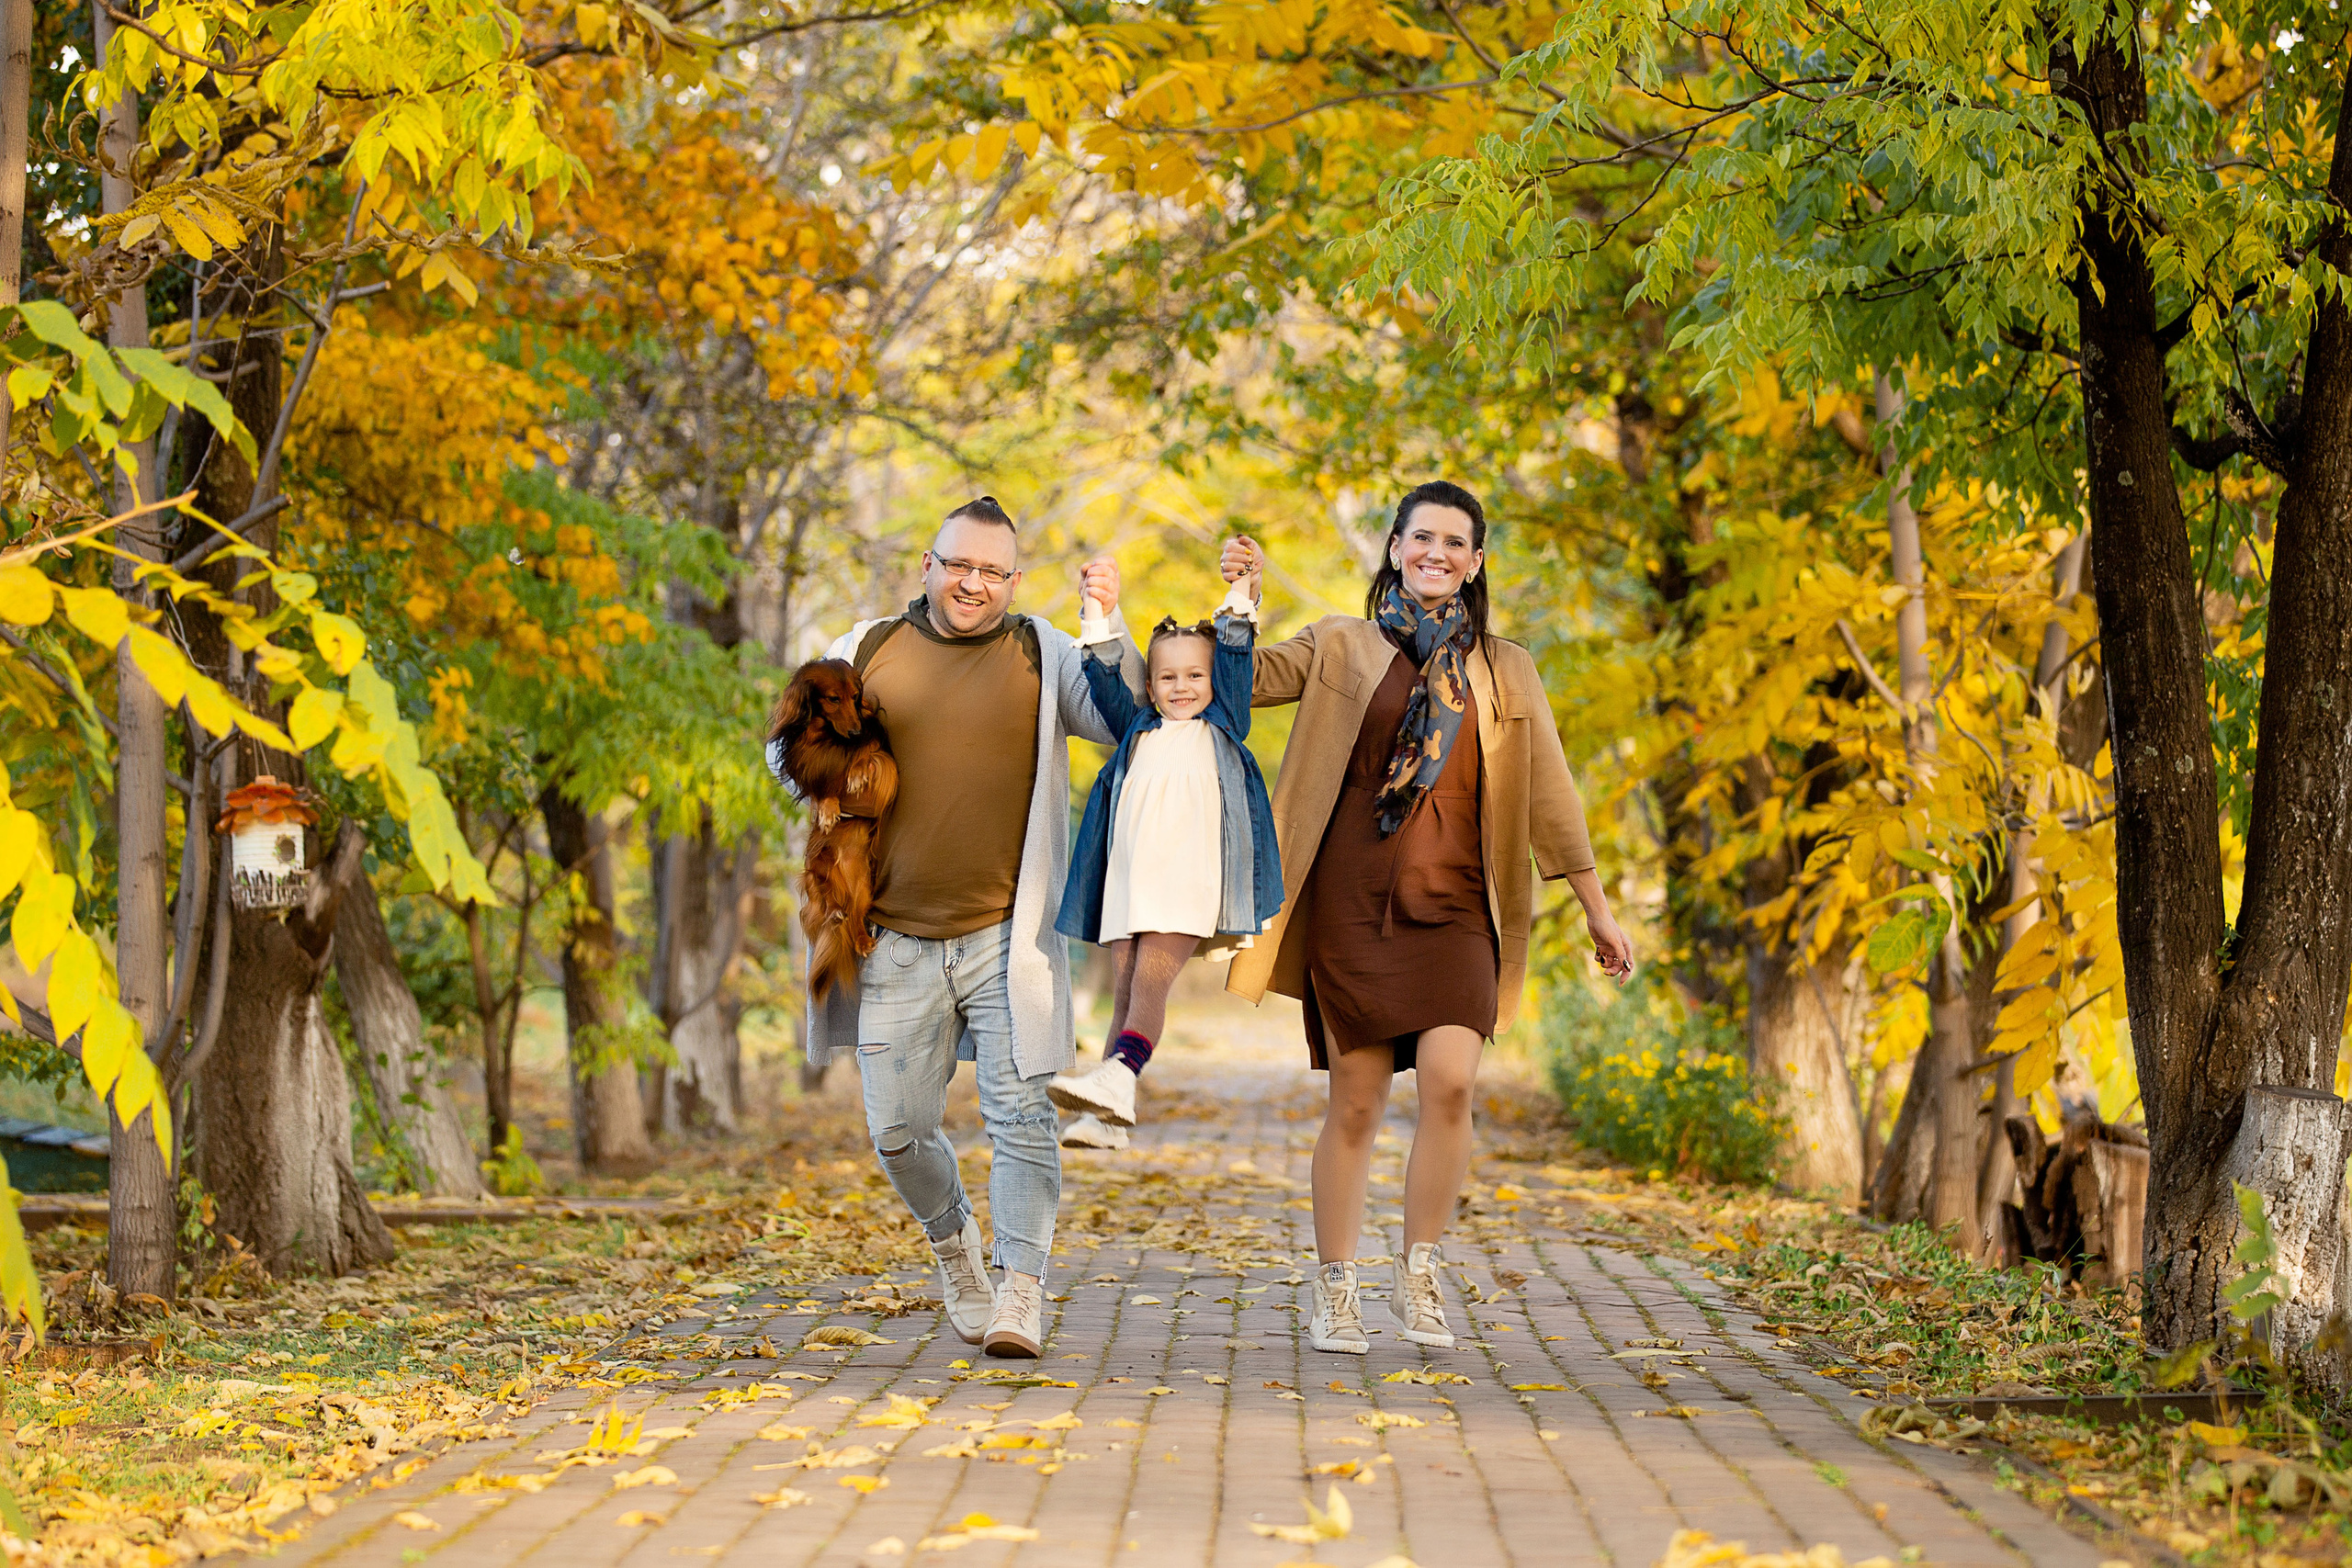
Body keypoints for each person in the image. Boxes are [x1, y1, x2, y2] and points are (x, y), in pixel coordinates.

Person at [1101, 480, 1633, 1356]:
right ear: (1395, 547)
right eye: (1422, 537)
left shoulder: (1507, 668)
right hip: (1351, 904)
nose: (1437, 553)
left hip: (1460, 906)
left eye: (1455, 542)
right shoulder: (1340, 643)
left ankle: (1420, 1274)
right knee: (1355, 1103)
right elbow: (1243, 681)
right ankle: (1337, 1286)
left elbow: (1551, 795)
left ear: (1476, 561)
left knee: (1452, 1082)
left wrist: (1597, 910)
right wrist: (1239, 604)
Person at [769, 496, 1141, 1359]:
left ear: (1014, 578)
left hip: (1010, 936)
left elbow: (1119, 721)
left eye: (992, 571)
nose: (973, 583)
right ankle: (954, 1243)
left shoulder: (1045, 649)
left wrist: (1103, 621)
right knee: (897, 1130)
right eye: (959, 565)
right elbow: (786, 755)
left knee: (1022, 1117)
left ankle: (1021, 1290)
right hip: (891, 937)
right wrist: (841, 775)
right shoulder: (866, 646)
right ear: (928, 567)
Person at [1046, 558, 1283, 1151]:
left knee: (1150, 987)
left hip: (1187, 881)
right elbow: (1103, 673)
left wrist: (1239, 587)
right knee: (1126, 993)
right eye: (1168, 677)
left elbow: (1235, 650)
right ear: (1150, 687)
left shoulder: (1221, 724)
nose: (1182, 687)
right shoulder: (1139, 729)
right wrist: (1096, 610)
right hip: (1131, 883)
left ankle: (1119, 1078)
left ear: (1213, 681)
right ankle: (1107, 1119)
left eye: (1195, 675)